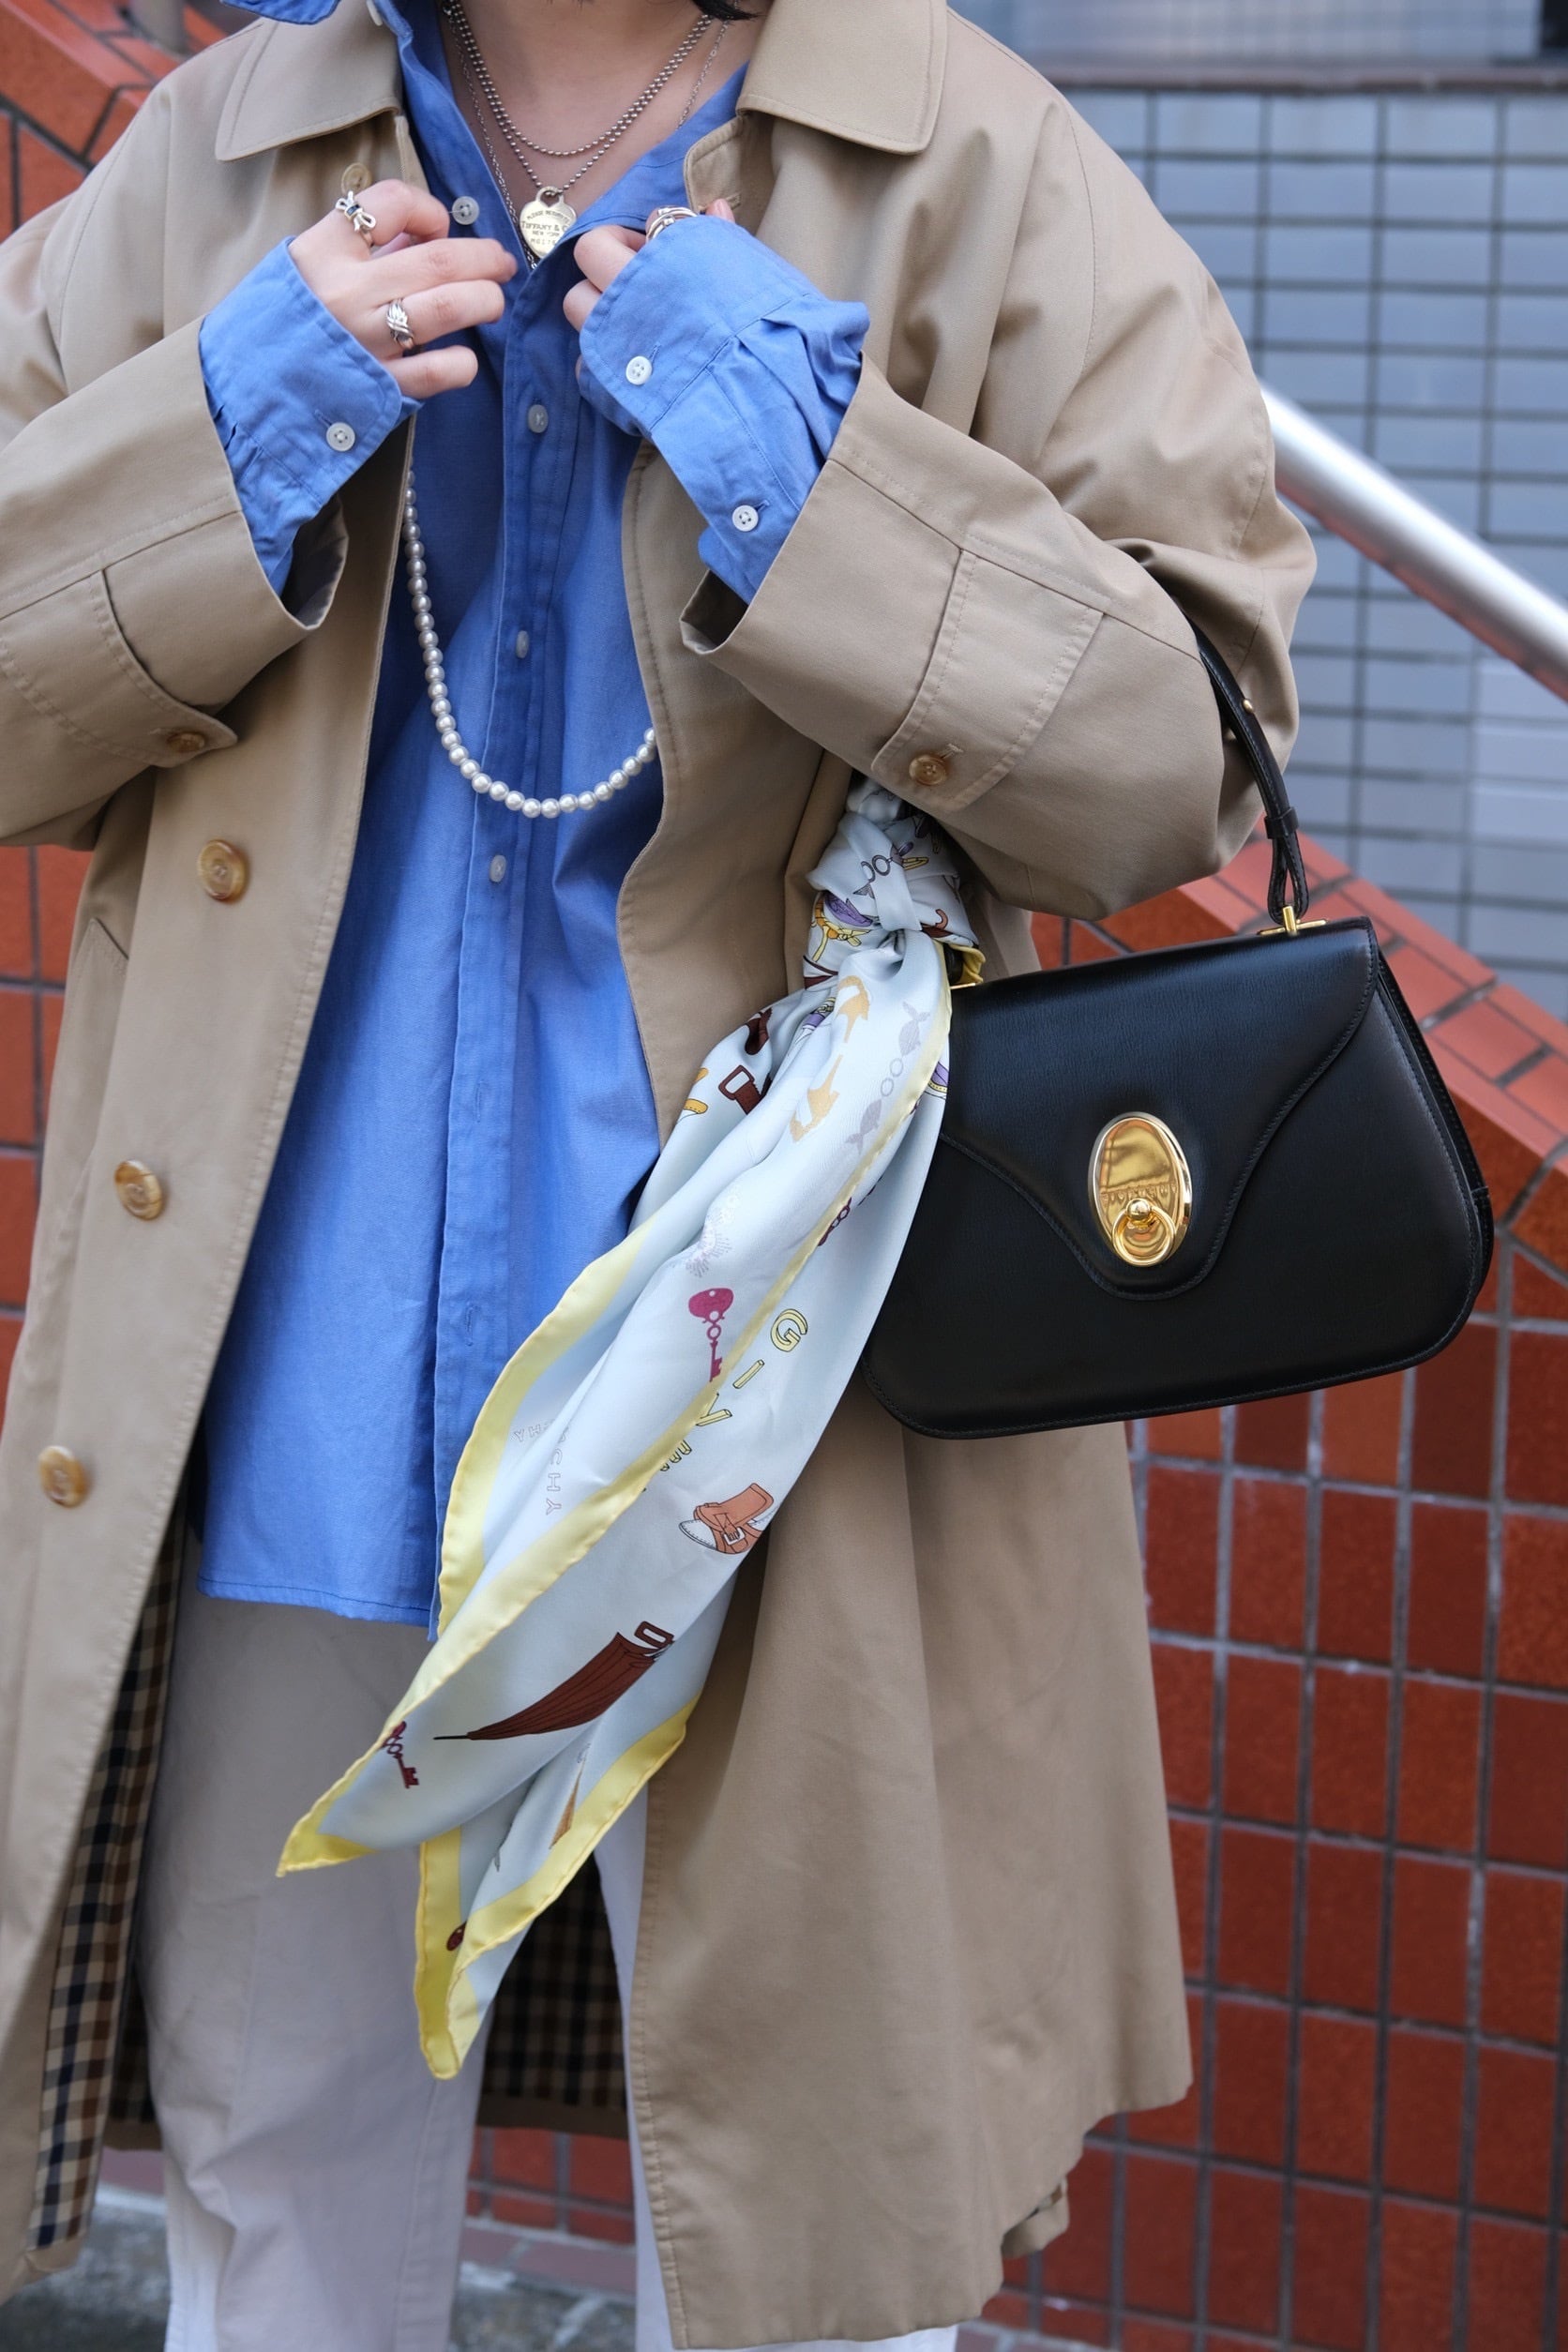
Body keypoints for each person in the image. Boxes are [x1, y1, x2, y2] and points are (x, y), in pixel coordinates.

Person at [0, 0, 1314, 2341]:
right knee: (269, 2171)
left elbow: (1174, 764)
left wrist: (803, 460)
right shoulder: (219, 156)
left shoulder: (968, 155)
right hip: (285, 1369)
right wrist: (236, 419)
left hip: (793, 1410)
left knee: (824, 2218)